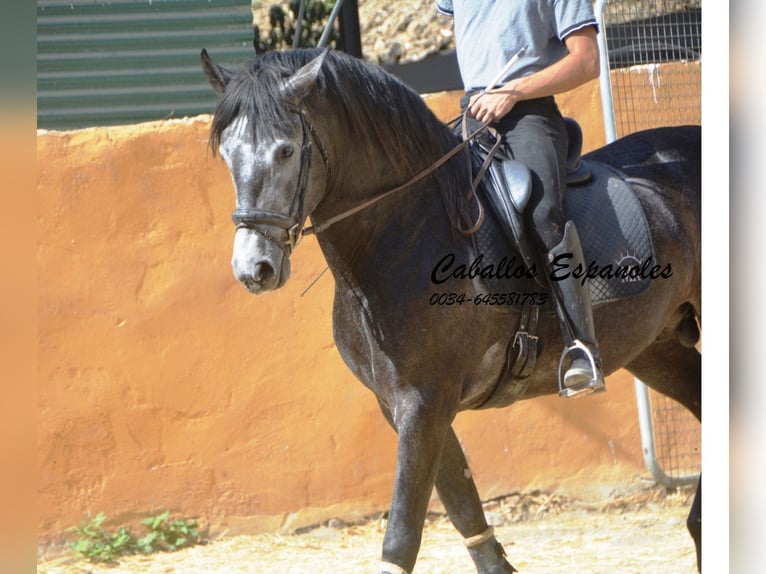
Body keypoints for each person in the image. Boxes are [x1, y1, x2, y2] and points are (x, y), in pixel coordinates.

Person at [436, 0, 605, 397]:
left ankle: (581, 347)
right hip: (472, 116)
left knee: (543, 210)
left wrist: (513, 90)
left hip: (529, 116)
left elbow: (587, 60)